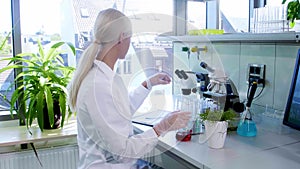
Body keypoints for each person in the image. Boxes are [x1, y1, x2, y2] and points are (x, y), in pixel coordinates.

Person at [68, 8, 191, 169]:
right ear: (122, 38)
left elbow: (119, 112)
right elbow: (122, 151)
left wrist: (148, 84)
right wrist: (162, 126)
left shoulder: (102, 76)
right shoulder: (98, 85)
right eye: (130, 37)